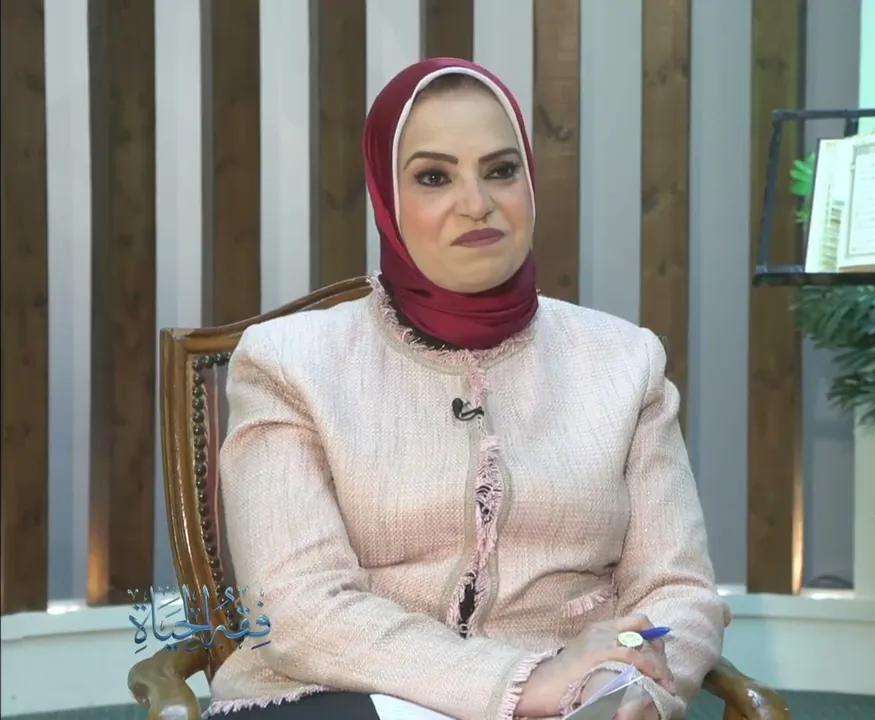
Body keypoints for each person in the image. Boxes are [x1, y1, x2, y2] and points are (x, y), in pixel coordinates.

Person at [204, 57, 730, 720]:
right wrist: (521, 681)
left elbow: (677, 590)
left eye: (501, 170)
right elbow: (298, 609)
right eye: (434, 177)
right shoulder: (290, 362)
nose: (477, 203)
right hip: (347, 692)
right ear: (387, 198)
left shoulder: (626, 362)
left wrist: (627, 675)